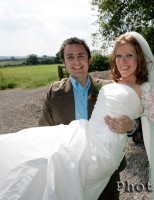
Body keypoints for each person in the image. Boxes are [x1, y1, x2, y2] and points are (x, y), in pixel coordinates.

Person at [0, 32, 154, 200]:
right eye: (119, 56)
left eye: (129, 55)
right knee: (33, 159)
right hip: (83, 138)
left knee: (54, 163)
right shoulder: (114, 83)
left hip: (102, 152)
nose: (123, 61)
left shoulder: (147, 89)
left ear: (140, 58)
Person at [38, 37, 137, 200]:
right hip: (67, 171)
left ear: (89, 60)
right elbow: (43, 130)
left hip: (106, 171)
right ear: (64, 61)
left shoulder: (110, 87)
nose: (76, 61)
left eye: (81, 56)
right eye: (70, 57)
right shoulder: (55, 92)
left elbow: (136, 122)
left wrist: (131, 125)